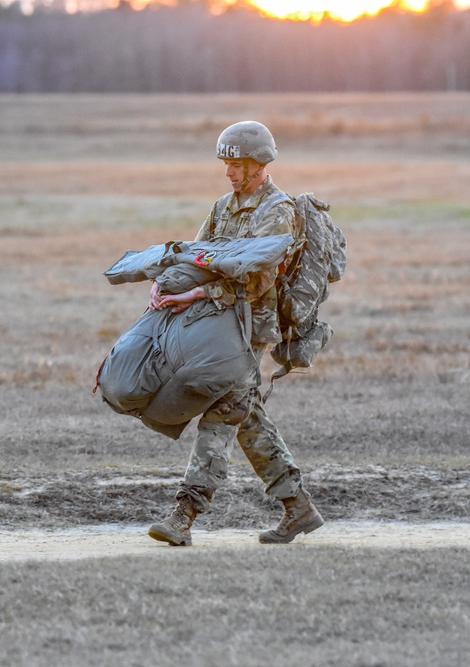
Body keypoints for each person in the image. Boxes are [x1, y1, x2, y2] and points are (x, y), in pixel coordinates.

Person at [146, 120, 324, 547]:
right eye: (226, 162)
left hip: (250, 328)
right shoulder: (222, 206)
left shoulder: (279, 211)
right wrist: (168, 280)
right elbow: (196, 254)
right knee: (246, 416)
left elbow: (261, 277)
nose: (228, 171)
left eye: (237, 163)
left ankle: (184, 513)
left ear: (260, 164)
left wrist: (198, 292)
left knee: (224, 408)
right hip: (216, 321)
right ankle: (297, 507)